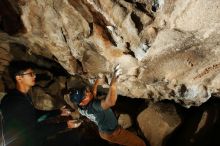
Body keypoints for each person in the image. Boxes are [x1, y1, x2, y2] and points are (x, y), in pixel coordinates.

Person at [0, 60, 80, 146]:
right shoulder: (15, 101)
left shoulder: (21, 96)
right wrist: (65, 125)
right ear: (19, 78)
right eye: (30, 74)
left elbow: (34, 115)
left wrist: (59, 112)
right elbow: (35, 131)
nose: (34, 76)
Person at [69, 66, 146, 146]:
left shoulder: (81, 108)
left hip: (103, 132)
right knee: (140, 143)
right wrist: (113, 82)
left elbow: (92, 94)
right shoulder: (94, 106)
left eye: (86, 91)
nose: (88, 92)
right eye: (85, 94)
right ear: (82, 102)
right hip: (112, 133)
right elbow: (110, 102)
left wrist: (96, 82)